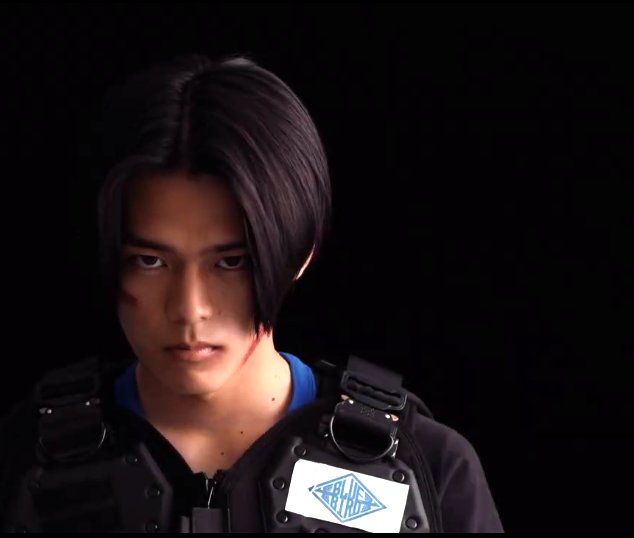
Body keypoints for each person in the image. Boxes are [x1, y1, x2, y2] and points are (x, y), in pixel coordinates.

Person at [0, 53, 503, 533]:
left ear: (299, 253)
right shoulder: (21, 459)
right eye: (150, 261)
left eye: (231, 262)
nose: (190, 309)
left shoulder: (429, 465)